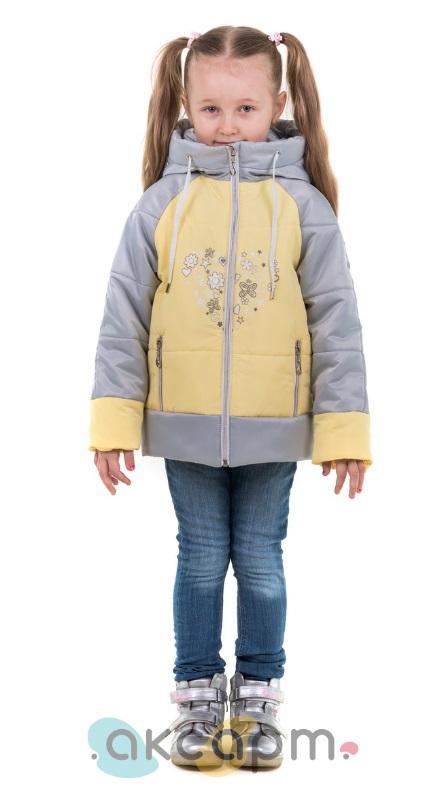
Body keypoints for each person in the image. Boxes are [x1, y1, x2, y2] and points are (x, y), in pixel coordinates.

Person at [88, 26, 373, 769]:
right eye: (211, 109)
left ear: (278, 104)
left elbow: (336, 323)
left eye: (246, 109)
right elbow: (123, 319)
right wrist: (114, 422)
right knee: (200, 558)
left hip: (274, 425)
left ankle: (258, 698)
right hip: (184, 424)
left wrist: (342, 431)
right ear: (186, 105)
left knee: (261, 560)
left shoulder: (304, 206)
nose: (228, 126)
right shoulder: (161, 204)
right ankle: (194, 696)